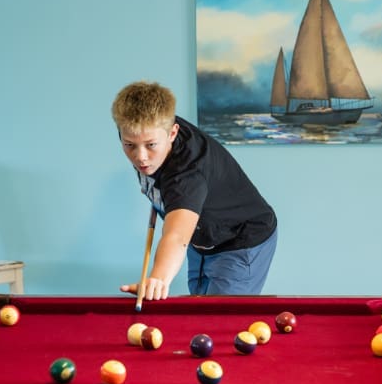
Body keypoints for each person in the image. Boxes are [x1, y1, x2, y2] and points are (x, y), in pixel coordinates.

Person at [111, 81, 278, 301]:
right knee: (198, 314)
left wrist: (158, 279)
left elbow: (177, 235)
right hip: (201, 239)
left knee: (217, 323)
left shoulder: (187, 173)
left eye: (150, 145)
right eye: (130, 145)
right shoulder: (153, 127)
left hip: (240, 241)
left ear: (173, 133)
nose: (140, 157)